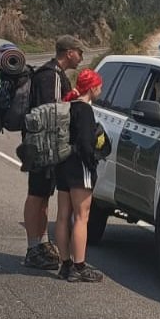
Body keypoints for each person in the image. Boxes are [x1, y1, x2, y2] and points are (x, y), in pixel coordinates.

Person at [22, 35, 83, 270]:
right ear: (69, 53)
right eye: (79, 52)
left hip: (43, 146)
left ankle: (41, 243)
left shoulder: (53, 74)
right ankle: (32, 248)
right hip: (43, 146)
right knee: (36, 195)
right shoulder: (52, 76)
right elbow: (53, 112)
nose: (81, 57)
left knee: (43, 195)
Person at [54, 69, 105, 282]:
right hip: (79, 167)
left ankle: (65, 264)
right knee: (82, 217)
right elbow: (85, 143)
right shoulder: (85, 111)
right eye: (99, 86)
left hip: (63, 164)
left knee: (63, 216)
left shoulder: (69, 106)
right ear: (92, 88)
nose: (101, 90)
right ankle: (79, 265)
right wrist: (93, 161)